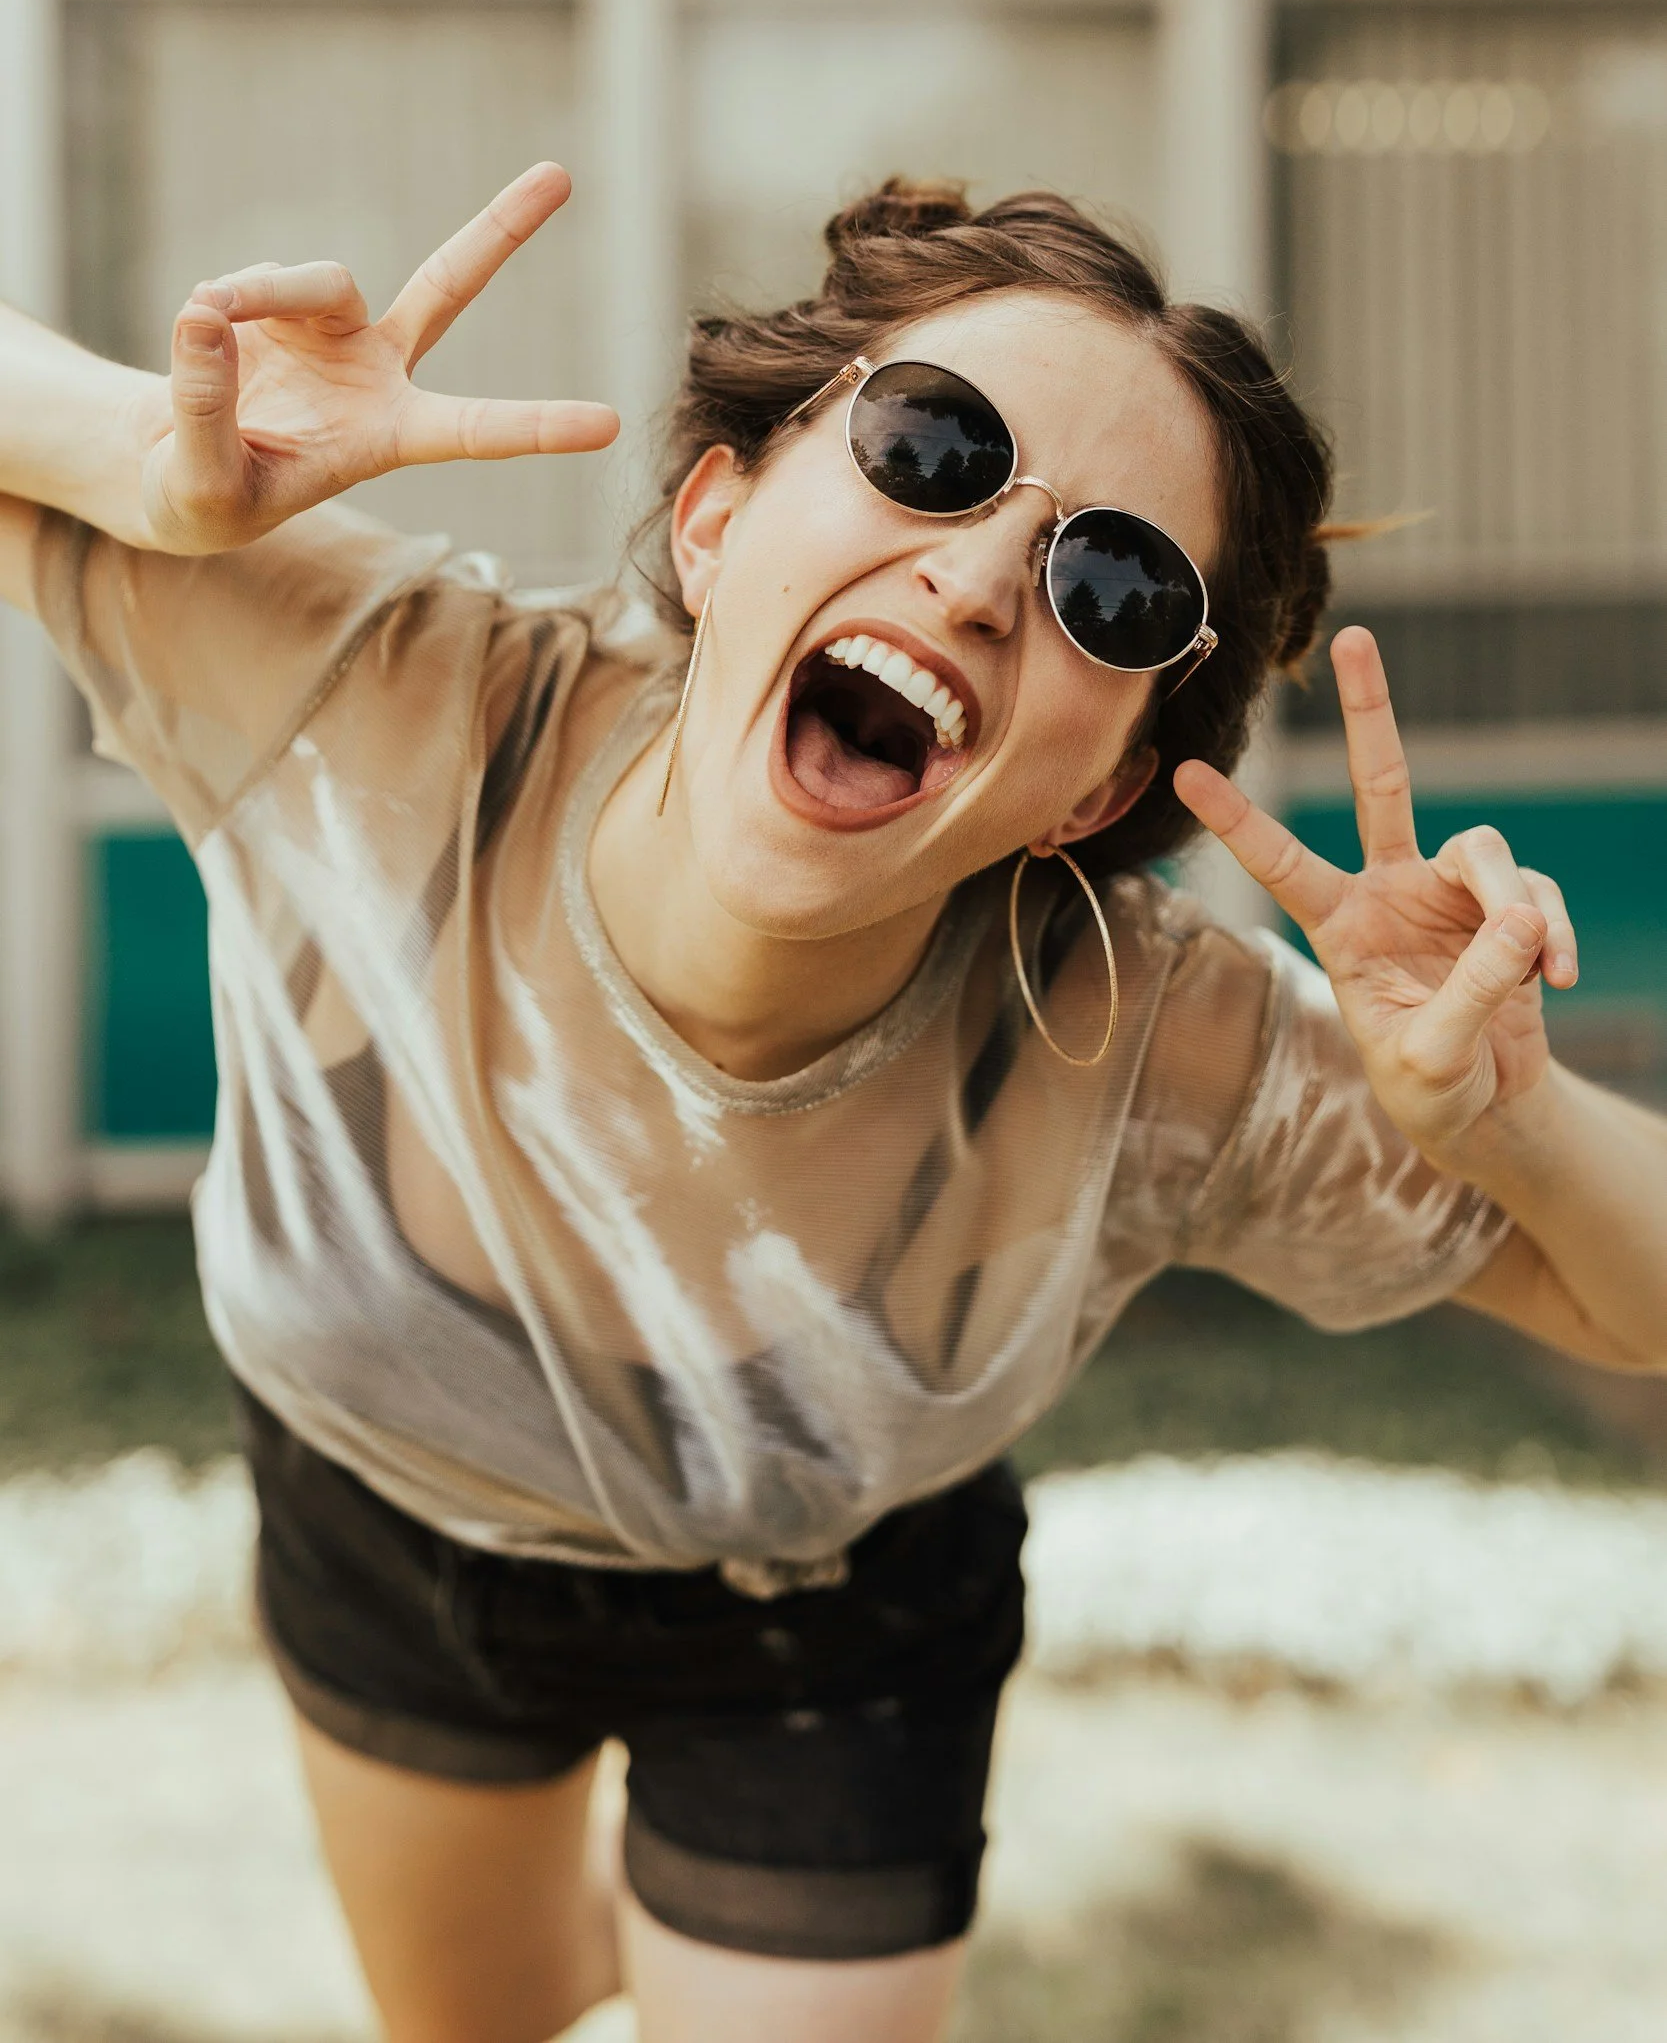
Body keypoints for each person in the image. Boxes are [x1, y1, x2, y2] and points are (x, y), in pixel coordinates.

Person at [2, 164, 1664, 2043]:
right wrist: (148, 459)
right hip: (382, 1506)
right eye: (934, 448)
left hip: (831, 1612)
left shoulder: (1146, 1041)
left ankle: (775, 1895)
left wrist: (1499, 1118)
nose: (968, 579)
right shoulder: (370, 692)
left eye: (1110, 586)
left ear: (1093, 796)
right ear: (716, 520)